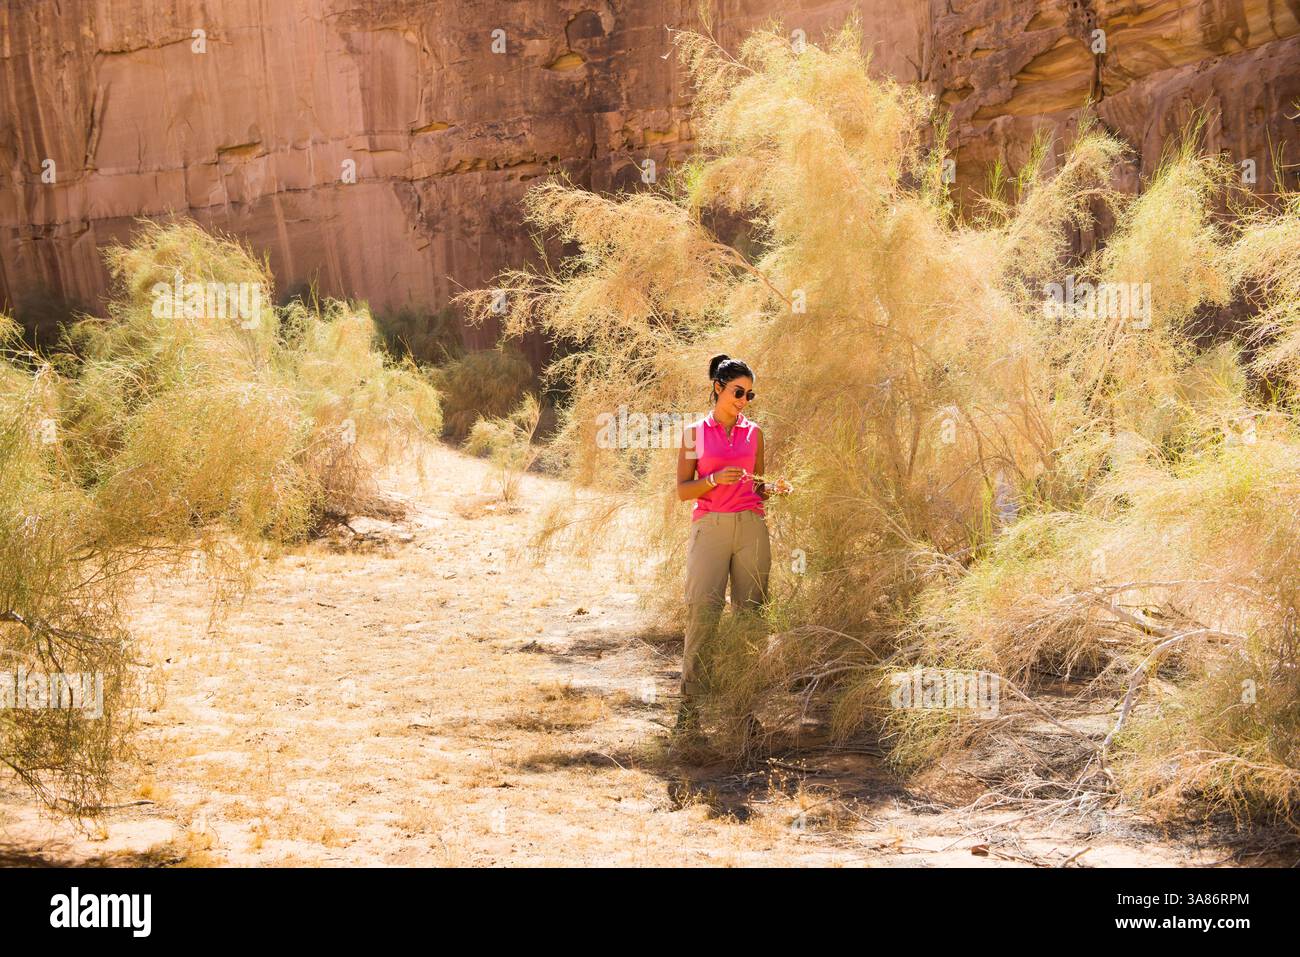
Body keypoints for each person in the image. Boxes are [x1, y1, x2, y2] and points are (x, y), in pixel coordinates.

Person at [673, 354, 791, 746]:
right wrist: (711, 479)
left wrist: (773, 488)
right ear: (718, 387)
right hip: (710, 528)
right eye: (738, 391)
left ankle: (744, 712)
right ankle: (689, 714)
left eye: (750, 394)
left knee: (751, 618)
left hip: (751, 527)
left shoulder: (754, 433)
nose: (744, 399)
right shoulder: (693, 433)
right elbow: (682, 490)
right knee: (703, 614)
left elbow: (757, 485)